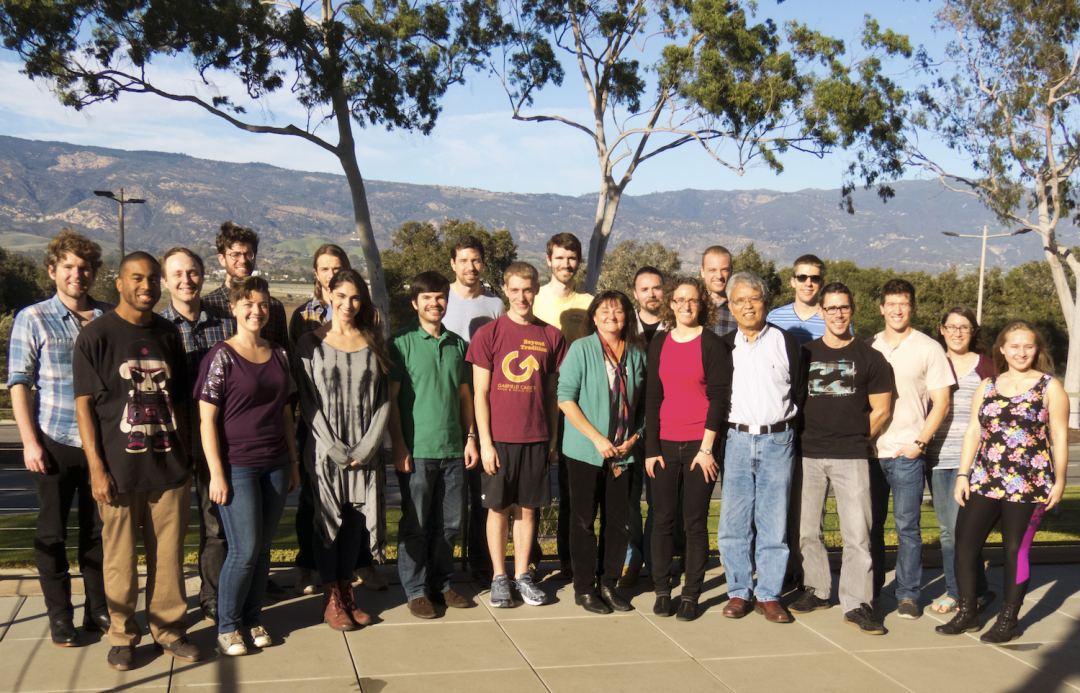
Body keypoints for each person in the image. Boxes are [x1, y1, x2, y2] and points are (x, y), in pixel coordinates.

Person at [73, 252, 204, 671]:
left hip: (168, 468)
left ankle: (169, 631)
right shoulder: (96, 335)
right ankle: (124, 636)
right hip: (118, 470)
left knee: (168, 558)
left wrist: (188, 458)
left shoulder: (168, 334)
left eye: (151, 279)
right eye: (136, 278)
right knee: (120, 559)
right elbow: (84, 408)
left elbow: (181, 400)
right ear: (119, 283)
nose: (146, 286)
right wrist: (96, 467)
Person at [7, 230, 111, 646]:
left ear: (93, 272)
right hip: (53, 440)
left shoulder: (107, 317)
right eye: (68, 266)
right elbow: (19, 382)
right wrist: (29, 442)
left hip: (101, 445)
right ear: (53, 270)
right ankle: (60, 617)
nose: (77, 274)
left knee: (97, 532)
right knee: (52, 533)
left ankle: (97, 609)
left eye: (84, 267)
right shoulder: (32, 318)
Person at [936, 321, 1069, 644]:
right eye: (1014, 346)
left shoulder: (1049, 387)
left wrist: (1060, 481)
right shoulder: (988, 385)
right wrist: (964, 475)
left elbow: (1060, 437)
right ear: (1002, 349)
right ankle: (968, 612)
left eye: (1028, 346)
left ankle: (1009, 619)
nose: (1021, 352)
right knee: (964, 546)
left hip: (1029, 484)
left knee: (1014, 551)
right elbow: (973, 432)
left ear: (1036, 350)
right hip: (984, 479)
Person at [197, 275, 300, 655]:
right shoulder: (221, 357)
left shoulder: (279, 354)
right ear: (235, 308)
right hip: (237, 465)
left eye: (262, 304)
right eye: (248, 304)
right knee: (244, 548)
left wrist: (292, 463)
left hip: (274, 462)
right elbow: (207, 420)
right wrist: (217, 473)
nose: (256, 311)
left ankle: (253, 617)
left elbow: (287, 413)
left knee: (264, 548)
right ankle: (227, 625)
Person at [790, 283, 892, 635]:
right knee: (806, 530)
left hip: (852, 455)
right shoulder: (803, 354)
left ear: (852, 310)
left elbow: (881, 410)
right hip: (808, 453)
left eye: (843, 308)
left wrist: (855, 437)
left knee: (857, 534)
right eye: (831, 308)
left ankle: (857, 603)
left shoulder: (870, 358)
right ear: (821, 312)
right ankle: (817, 590)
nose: (837, 314)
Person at [286, 245, 387, 595]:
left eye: (355, 297)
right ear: (326, 290)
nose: (348, 302)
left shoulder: (374, 339)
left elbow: (384, 398)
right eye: (341, 295)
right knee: (323, 516)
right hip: (324, 447)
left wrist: (369, 445)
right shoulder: (306, 338)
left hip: (365, 448)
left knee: (356, 519)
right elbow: (306, 399)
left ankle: (348, 588)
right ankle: (329, 592)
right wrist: (332, 447)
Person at [202, 221, 295, 601]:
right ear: (222, 258)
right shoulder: (207, 306)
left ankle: (251, 603)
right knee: (219, 533)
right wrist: (213, 465)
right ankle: (218, 603)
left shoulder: (272, 307)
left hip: (269, 443)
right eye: (235, 254)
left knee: (255, 542)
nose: (243, 259)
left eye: (249, 253)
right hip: (222, 437)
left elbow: (283, 381)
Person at [468, 261, 567, 609]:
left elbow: (554, 394)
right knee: (498, 510)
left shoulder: (552, 336)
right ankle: (499, 577)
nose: (522, 296)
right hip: (499, 441)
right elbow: (479, 394)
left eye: (528, 289)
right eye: (515, 290)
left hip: (537, 438)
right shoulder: (488, 334)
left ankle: (522, 575)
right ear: (505, 291)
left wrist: (553, 439)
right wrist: (486, 443)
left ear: (537, 289)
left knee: (528, 511)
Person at [716, 272, 807, 625]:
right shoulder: (724, 346)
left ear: (765, 301)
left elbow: (799, 393)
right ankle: (739, 591)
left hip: (777, 440)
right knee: (734, 521)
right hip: (737, 440)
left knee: (773, 522)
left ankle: (768, 594)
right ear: (731, 307)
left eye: (753, 298)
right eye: (739, 300)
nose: (747, 305)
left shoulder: (787, 343)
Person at [388, 271, 479, 619]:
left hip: (454, 450)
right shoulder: (400, 343)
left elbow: (465, 396)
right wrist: (398, 445)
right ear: (415, 303)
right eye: (426, 297)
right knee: (415, 524)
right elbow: (392, 401)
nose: (434, 303)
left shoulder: (458, 345)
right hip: (417, 452)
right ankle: (415, 590)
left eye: (440, 296)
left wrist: (470, 438)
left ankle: (442, 584)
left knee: (451, 524)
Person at [644, 277, 730, 622]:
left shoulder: (712, 344)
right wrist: (651, 448)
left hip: (700, 446)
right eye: (679, 300)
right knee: (662, 519)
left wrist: (707, 448)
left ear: (702, 305)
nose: (685, 306)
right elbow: (652, 397)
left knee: (694, 522)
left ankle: (691, 593)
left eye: (692, 300)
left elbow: (719, 397)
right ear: (670, 304)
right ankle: (663, 590)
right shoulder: (660, 342)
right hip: (664, 443)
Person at [159, 247, 236, 626]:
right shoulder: (156, 327)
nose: (185, 280)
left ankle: (213, 596)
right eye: (177, 273)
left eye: (192, 272)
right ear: (164, 280)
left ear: (203, 275)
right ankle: (166, 608)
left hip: (214, 444)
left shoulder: (227, 325)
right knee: (168, 532)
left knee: (215, 526)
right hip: (168, 446)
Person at [558, 290, 647, 614]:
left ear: (628, 317)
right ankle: (584, 588)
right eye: (605, 311)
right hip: (586, 450)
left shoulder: (638, 353)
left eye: (619, 311)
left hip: (624, 453)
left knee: (618, 522)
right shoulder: (581, 349)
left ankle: (608, 584)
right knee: (583, 522)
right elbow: (565, 398)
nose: (612, 316)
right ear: (593, 316)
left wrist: (636, 437)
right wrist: (597, 439)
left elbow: (647, 404)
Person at [869, 279, 954, 619]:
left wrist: (919, 443)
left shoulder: (928, 348)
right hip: (872, 454)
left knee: (907, 527)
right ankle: (870, 591)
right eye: (891, 303)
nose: (897, 309)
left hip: (906, 454)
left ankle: (907, 594)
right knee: (870, 527)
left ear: (912, 307)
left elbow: (942, 402)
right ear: (881, 308)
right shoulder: (869, 345)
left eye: (903, 303)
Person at [441, 235, 504, 587]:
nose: (470, 267)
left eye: (476, 260)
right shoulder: (440, 300)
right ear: (453, 264)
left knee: (483, 495)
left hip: (483, 408)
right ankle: (442, 571)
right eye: (463, 260)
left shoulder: (495, 305)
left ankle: (483, 565)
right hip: (446, 409)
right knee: (447, 497)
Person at [925, 307, 996, 616]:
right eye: (951, 327)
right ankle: (977, 590)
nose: (957, 332)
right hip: (937, 457)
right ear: (941, 329)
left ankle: (956, 592)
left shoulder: (987, 367)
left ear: (973, 332)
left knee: (961, 530)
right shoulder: (931, 361)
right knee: (949, 529)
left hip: (972, 461)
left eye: (964, 327)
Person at [533, 232, 594, 579]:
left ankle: (571, 558)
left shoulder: (590, 303)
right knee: (533, 485)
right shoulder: (533, 299)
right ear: (548, 260)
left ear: (579, 261)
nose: (565, 264)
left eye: (571, 258)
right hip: (537, 404)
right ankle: (532, 556)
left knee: (574, 488)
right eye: (559, 257)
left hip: (575, 407)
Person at [622, 266, 681, 588]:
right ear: (635, 294)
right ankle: (632, 561)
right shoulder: (622, 325)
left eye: (657, 288)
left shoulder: (677, 327)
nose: (652, 294)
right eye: (645, 289)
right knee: (629, 500)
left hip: (666, 425)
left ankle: (660, 559)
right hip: (628, 427)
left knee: (661, 501)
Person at [766, 254, 827, 344]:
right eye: (802, 277)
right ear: (793, 282)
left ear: (821, 284)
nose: (808, 283)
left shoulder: (834, 320)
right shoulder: (774, 318)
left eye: (815, 278)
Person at [700, 246, 737, 336]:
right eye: (712, 270)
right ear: (702, 272)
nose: (719, 276)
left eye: (724, 270)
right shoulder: (692, 307)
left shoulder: (740, 307)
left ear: (731, 271)